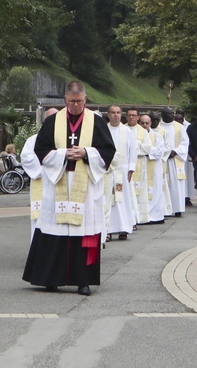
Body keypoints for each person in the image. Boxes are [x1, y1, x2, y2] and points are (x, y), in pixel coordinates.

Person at [22, 81, 116, 296]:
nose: (75, 105)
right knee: (55, 229)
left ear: (85, 99)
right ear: (65, 100)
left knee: (84, 232)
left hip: (85, 184)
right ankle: (50, 278)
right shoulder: (54, 121)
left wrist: (86, 153)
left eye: (80, 101)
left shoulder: (96, 121)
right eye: (72, 101)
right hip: (59, 181)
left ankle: (84, 280)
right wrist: (62, 154)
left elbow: (108, 150)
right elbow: (41, 149)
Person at [22, 108, 59, 241]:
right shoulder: (33, 140)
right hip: (42, 181)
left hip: (60, 184)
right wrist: (46, 164)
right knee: (40, 219)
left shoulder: (65, 139)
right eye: (49, 119)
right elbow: (26, 158)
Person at [105, 105, 138, 241]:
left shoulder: (127, 131)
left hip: (122, 171)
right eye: (113, 112)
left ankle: (123, 227)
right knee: (108, 200)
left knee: (122, 199)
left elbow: (133, 150)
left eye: (118, 112)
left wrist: (131, 168)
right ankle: (107, 229)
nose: (116, 115)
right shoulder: (103, 130)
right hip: (107, 171)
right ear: (108, 114)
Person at [159, 108, 190, 217]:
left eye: (173, 113)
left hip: (176, 159)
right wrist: (165, 153)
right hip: (163, 160)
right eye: (169, 113)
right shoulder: (158, 128)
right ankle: (165, 209)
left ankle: (177, 208)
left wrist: (175, 151)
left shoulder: (179, 127)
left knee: (176, 185)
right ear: (163, 115)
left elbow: (185, 143)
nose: (173, 115)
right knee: (164, 185)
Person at [140, 114, 171, 223]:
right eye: (142, 123)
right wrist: (147, 149)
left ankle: (155, 216)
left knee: (156, 191)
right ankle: (142, 216)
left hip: (154, 168)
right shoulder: (137, 135)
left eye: (146, 123)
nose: (144, 125)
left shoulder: (157, 136)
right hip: (141, 168)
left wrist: (144, 150)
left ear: (150, 124)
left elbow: (159, 152)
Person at [126, 108, 152, 224]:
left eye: (134, 115)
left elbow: (147, 148)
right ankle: (128, 218)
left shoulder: (143, 131)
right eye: (129, 115)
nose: (131, 117)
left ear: (138, 117)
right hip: (125, 165)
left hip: (139, 165)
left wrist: (134, 143)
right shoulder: (123, 129)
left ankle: (138, 217)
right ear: (126, 117)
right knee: (127, 193)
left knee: (138, 193)